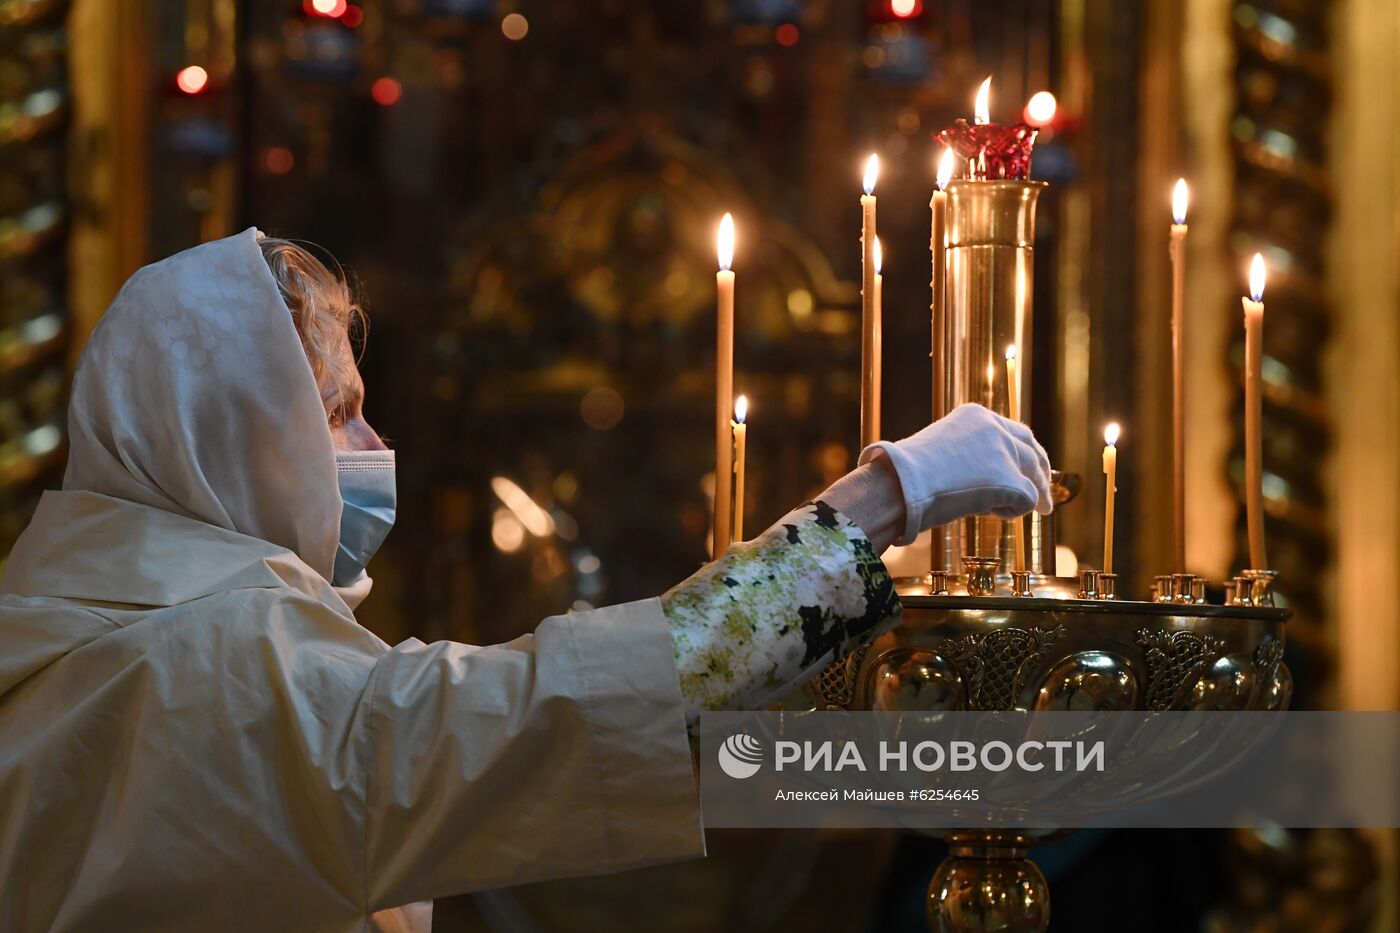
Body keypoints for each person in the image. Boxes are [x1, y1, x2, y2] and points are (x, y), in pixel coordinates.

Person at [0, 229, 1051, 931]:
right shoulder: (198, 674)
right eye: (335, 414)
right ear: (225, 438)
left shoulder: (78, 637)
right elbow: (553, 713)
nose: (374, 442)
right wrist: (878, 503)